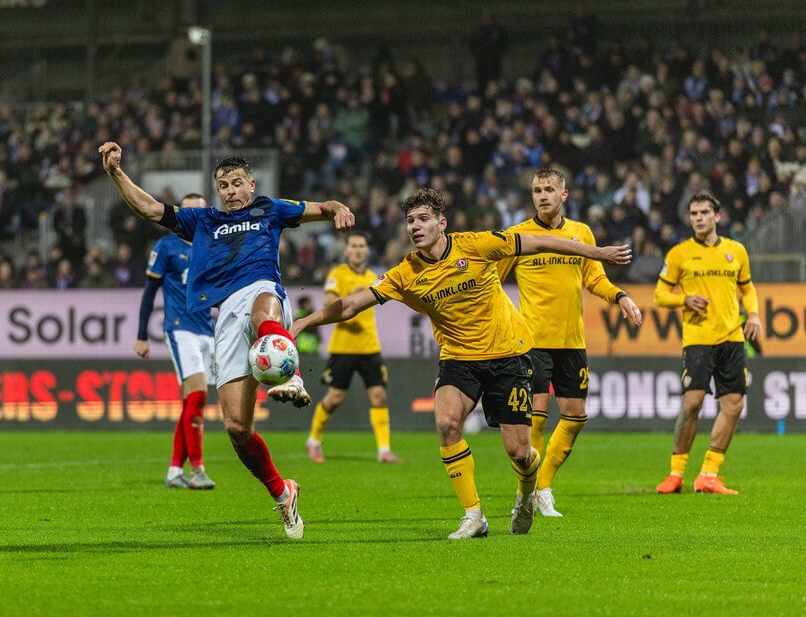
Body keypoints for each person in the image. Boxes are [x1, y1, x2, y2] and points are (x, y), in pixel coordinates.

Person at [291, 187, 632, 540]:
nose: (415, 227)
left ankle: (527, 493)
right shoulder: (405, 272)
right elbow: (350, 305)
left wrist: (595, 253)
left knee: (520, 452)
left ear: (442, 223)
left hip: (508, 354)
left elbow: (539, 242)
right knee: (446, 423)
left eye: (423, 219)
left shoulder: (477, 244)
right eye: (410, 221)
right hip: (458, 359)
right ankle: (473, 516)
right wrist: (303, 322)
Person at [100, 141, 355, 539]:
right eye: (224, 185)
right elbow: (151, 209)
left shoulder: (270, 208)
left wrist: (339, 208)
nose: (231, 191)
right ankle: (282, 491)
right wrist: (116, 172)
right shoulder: (202, 221)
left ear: (251, 185)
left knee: (262, 309)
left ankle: (290, 375)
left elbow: (322, 207)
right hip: (224, 316)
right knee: (236, 427)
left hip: (264, 292)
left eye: (237, 183)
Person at [496, 168, 643, 518]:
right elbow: (492, 281)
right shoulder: (517, 236)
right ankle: (525, 496)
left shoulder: (581, 233)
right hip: (532, 341)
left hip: (572, 340)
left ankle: (542, 485)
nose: (542, 195)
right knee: (535, 418)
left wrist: (621, 297)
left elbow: (595, 279)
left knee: (575, 417)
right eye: (536, 190)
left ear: (564, 195)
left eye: (549, 189)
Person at [654, 193, 761, 495]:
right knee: (693, 403)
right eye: (693, 213)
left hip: (731, 339)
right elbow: (660, 295)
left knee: (734, 405)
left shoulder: (736, 251)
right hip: (698, 340)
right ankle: (676, 474)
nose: (698, 218)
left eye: (704, 212)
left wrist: (753, 314)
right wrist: (684, 299)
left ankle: (709, 475)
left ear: (718, 216)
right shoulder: (679, 254)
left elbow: (747, 287)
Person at [135, 193, 217, 491]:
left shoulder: (211, 248)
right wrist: (142, 335)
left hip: (207, 330)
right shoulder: (167, 246)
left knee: (191, 403)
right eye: (190, 211)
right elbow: (149, 292)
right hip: (180, 329)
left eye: (201, 211)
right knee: (197, 396)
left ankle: (173, 470)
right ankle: (197, 469)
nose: (196, 217)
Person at [305, 232, 401, 465]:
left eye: (361, 246)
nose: (357, 250)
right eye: (353, 246)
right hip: (343, 347)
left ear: (367, 251)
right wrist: (352, 295)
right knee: (335, 398)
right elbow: (329, 303)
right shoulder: (337, 275)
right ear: (346, 251)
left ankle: (384, 450)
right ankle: (314, 440)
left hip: (370, 347)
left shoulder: (373, 277)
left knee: (379, 396)